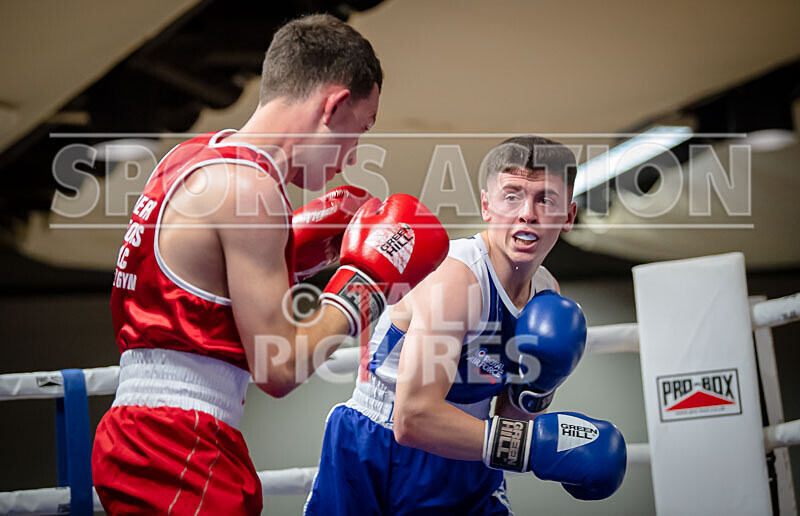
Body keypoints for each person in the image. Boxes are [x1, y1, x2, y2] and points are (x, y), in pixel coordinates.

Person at [91, 14, 450, 515]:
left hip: (150, 435)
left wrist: (296, 259)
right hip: (179, 443)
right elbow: (278, 367)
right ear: (335, 104)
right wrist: (366, 281)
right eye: (359, 130)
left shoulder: (192, 156)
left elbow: (191, 299)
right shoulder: (252, 190)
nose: (350, 158)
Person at [305, 136, 627, 515]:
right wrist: (533, 447)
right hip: (384, 444)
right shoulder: (457, 278)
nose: (528, 213)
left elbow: (510, 417)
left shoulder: (546, 291)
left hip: (469, 447)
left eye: (546, 199)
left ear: (568, 216)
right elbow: (413, 418)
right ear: (486, 205)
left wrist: (538, 388)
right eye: (512, 195)